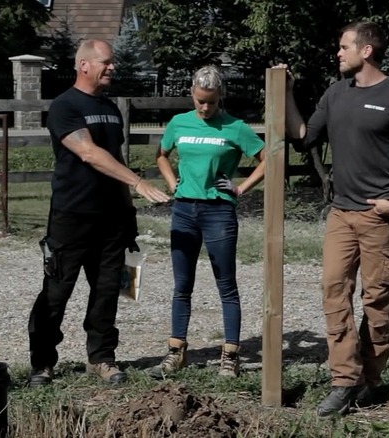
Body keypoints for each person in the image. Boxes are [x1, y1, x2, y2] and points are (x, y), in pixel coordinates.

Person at [277, 21, 389, 416]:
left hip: (381, 217)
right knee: (334, 292)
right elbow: (302, 134)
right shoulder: (336, 93)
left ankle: (372, 381)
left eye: (344, 46)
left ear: (366, 51)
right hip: (342, 213)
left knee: (377, 303)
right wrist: (288, 93)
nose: (338, 53)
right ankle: (344, 380)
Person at [27, 39, 170, 387]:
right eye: (106, 62)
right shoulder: (64, 106)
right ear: (85, 65)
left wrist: (128, 210)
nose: (112, 68)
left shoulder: (109, 107)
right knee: (57, 289)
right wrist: (137, 183)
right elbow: (89, 153)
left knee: (108, 290)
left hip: (112, 218)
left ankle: (102, 358)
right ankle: (43, 364)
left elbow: (114, 159)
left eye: (113, 63)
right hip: (72, 215)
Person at [148, 65, 266, 379]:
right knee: (181, 285)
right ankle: (176, 351)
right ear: (192, 94)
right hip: (184, 210)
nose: (205, 107)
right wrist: (172, 182)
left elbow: (268, 158)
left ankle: (230, 356)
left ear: (220, 98)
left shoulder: (236, 127)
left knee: (226, 285)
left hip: (219, 213)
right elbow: (160, 154)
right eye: (200, 100)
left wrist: (241, 187)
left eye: (211, 102)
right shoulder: (178, 123)